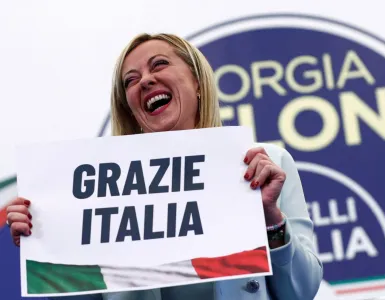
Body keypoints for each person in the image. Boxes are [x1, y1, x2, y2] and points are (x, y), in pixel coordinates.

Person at [6, 33, 323, 300]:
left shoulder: (265, 164)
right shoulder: (100, 191)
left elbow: (301, 290)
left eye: (159, 65)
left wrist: (270, 218)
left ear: (197, 82)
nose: (145, 80)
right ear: (130, 109)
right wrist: (47, 245)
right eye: (131, 80)